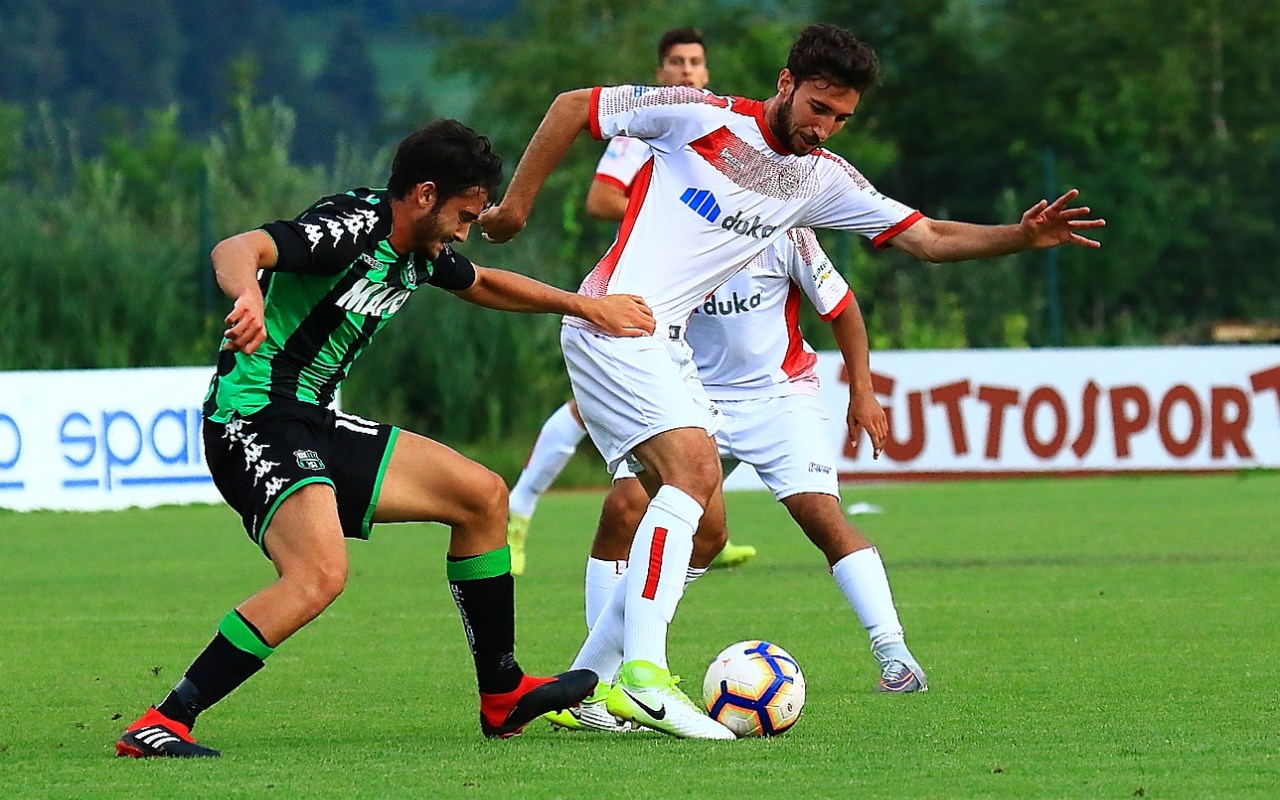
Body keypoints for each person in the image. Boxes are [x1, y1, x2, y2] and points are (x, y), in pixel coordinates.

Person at [480, 24, 1104, 739]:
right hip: (614, 322)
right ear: (786, 84)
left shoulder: (821, 179)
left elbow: (927, 238)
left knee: (706, 529)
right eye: (817, 107)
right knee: (689, 475)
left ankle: (583, 687)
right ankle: (644, 680)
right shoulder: (697, 114)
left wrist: (1019, 237)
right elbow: (570, 107)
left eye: (841, 117)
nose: (825, 127)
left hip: (667, 345)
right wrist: (516, 208)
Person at [114, 119, 657, 758]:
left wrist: (587, 306)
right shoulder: (351, 227)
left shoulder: (420, 249)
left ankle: (502, 693)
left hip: (310, 418)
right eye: (462, 213)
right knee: (319, 574)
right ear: (423, 195)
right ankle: (165, 720)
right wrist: (248, 298)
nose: (464, 229)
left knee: (482, 496)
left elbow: (481, 282)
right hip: (252, 418)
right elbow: (236, 248)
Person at [545, 226, 921, 734]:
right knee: (627, 510)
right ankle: (604, 678)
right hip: (690, 395)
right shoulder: (674, 232)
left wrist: (863, 390)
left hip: (780, 396)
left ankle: (894, 654)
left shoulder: (787, 230)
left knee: (820, 516)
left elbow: (842, 307)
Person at [506, 28, 756, 577]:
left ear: (707, 73)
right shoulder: (646, 126)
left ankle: (700, 524)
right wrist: (681, 223)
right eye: (675, 62)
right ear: (660, 72)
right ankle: (519, 510)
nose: (687, 71)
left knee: (700, 405)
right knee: (596, 411)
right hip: (636, 287)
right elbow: (600, 197)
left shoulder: (717, 130)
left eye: (695, 62)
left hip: (688, 292)